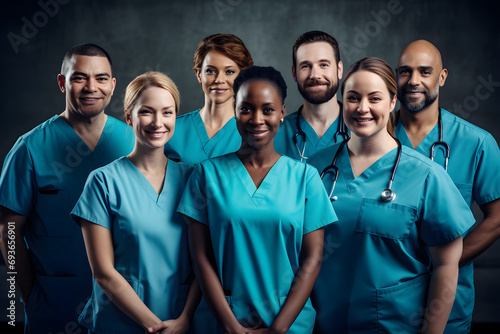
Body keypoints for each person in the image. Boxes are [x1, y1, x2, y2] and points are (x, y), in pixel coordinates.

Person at [308, 57, 475, 333]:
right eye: (353, 98)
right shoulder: (314, 168)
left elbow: (446, 265)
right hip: (322, 324)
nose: (363, 108)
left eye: (374, 98)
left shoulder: (426, 176)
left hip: (393, 325)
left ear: (392, 101)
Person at [177, 65, 337, 333]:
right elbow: (200, 257)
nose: (257, 119)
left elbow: (313, 258)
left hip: (288, 323)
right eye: (246, 108)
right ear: (235, 112)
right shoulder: (206, 174)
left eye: (268, 109)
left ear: (282, 113)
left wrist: (278, 329)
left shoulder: (305, 177)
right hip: (221, 322)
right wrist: (230, 326)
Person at [0, 44, 135, 334]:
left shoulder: (134, 142)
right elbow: (8, 231)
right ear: (62, 83)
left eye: (100, 78)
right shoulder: (30, 148)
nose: (91, 87)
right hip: (54, 309)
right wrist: (28, 298)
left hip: (124, 309)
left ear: (112, 86)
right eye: (79, 78)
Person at [71, 71, 199, 334]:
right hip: (121, 324)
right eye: (146, 112)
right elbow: (103, 272)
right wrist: (154, 326)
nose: (157, 122)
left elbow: (204, 261)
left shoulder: (193, 179)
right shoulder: (103, 182)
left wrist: (185, 319)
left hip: (181, 322)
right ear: (129, 116)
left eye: (167, 112)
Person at [394, 39, 500, 333]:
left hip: (447, 304)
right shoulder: (373, 140)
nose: (413, 81)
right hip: (383, 302)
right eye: (405, 71)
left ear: (441, 77)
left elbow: (498, 217)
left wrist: (446, 263)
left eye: (425, 72)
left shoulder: (477, 143)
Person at [164, 33, 253, 165]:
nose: (219, 80)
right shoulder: (171, 129)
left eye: (229, 72)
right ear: (199, 75)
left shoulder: (252, 131)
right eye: (211, 71)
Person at [274, 30, 348, 162]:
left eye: (324, 65)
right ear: (294, 73)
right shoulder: (275, 134)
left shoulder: (360, 129)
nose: (315, 75)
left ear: (339, 70)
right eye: (305, 66)